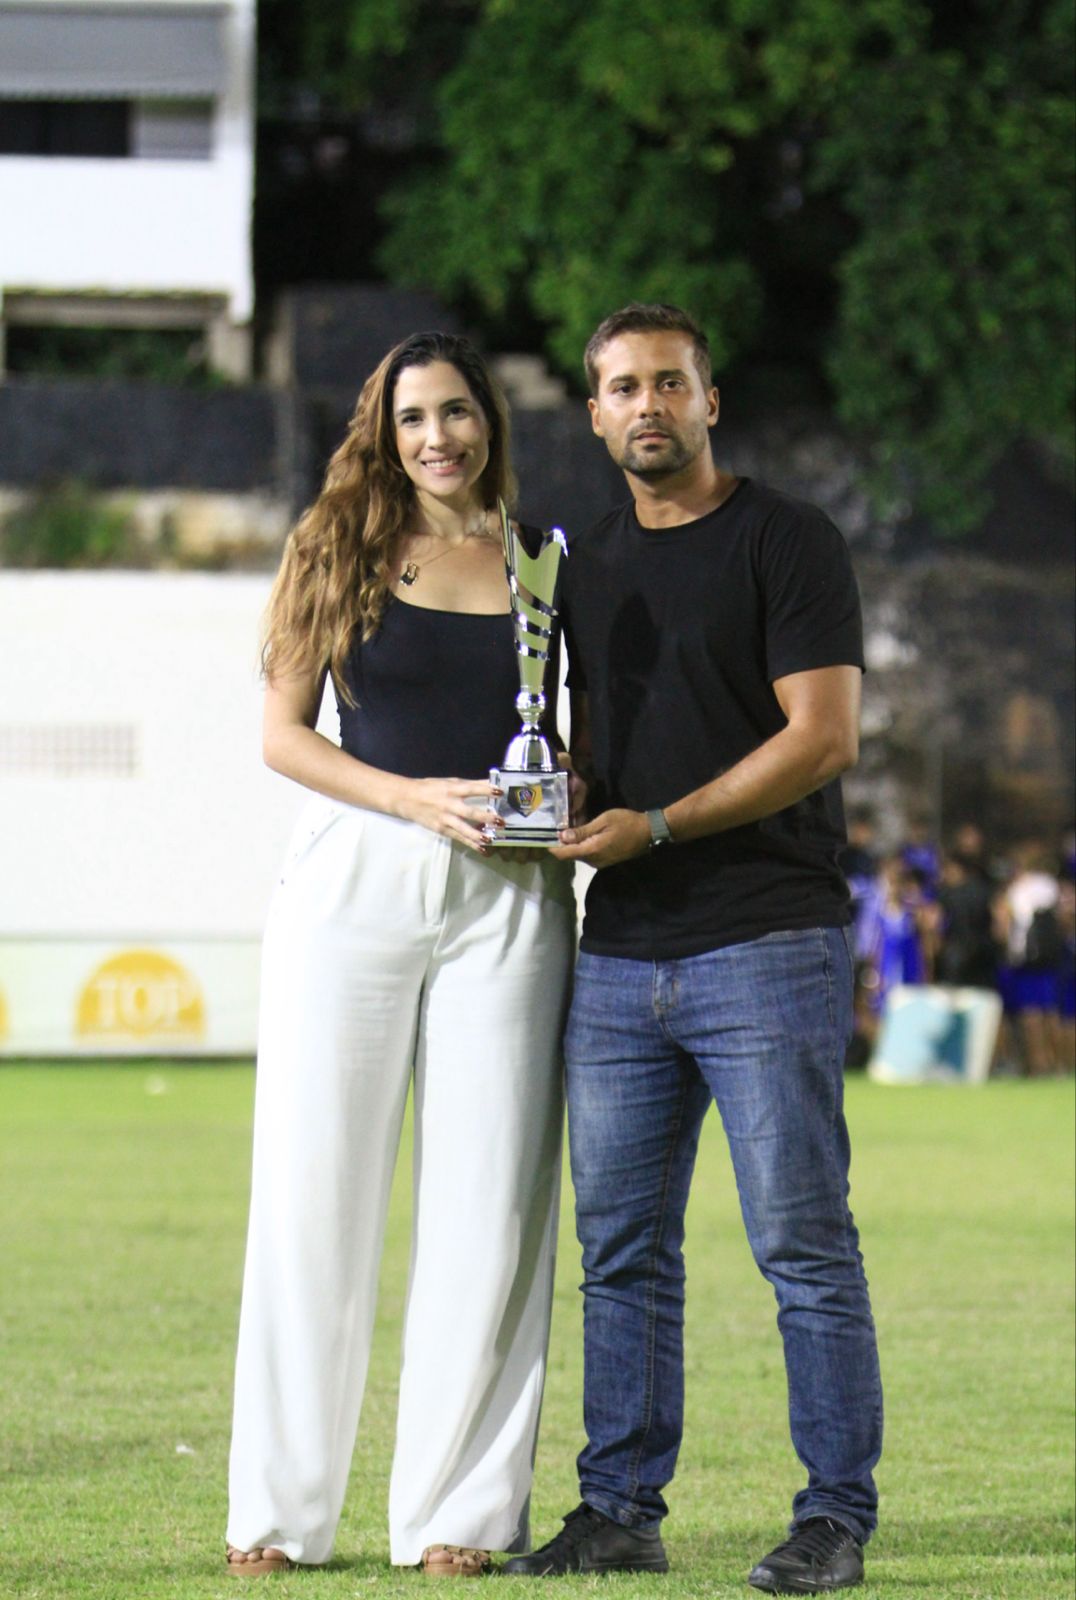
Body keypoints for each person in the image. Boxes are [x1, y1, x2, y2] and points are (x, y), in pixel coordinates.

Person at [504, 303, 882, 1594]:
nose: (647, 405)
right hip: (619, 951)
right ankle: (618, 1510)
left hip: (765, 937)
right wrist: (552, 792)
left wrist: (656, 824)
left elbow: (821, 737)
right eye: (622, 387)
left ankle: (832, 1517)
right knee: (619, 1253)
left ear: (709, 401)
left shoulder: (787, 538)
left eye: (669, 382)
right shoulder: (575, 562)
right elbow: (592, 739)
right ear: (594, 414)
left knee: (802, 1247)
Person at [225, 332, 576, 1578]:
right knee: (311, 1193)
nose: (439, 437)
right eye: (414, 416)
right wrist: (410, 798)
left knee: (491, 1206)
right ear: (382, 430)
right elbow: (282, 735)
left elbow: (565, 730)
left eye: (458, 412)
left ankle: (456, 1515)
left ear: (490, 421)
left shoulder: (541, 561)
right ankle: (278, 1515)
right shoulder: (333, 545)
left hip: (510, 895)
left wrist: (563, 796)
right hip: (355, 877)